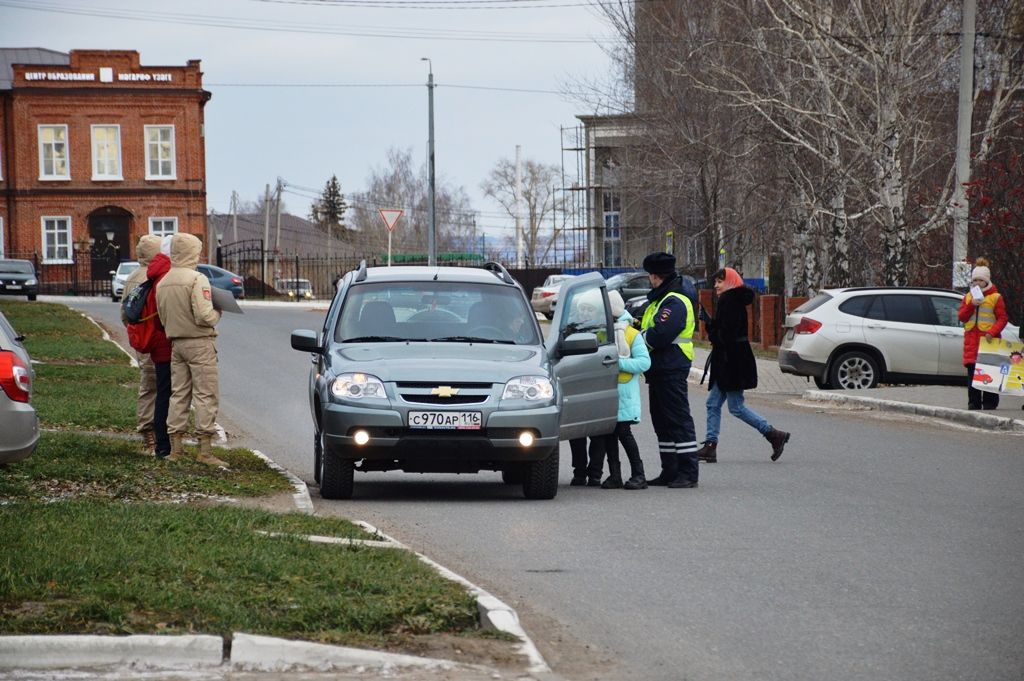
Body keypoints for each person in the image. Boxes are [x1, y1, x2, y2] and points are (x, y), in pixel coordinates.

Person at [696, 267, 790, 463]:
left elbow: (725, 336)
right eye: (715, 282)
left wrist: (710, 327)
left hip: (732, 362)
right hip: (730, 361)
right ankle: (710, 446)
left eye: (719, 281)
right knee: (712, 403)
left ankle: (774, 434)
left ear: (730, 281)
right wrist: (710, 322)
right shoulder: (733, 299)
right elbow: (727, 329)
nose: (715, 286)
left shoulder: (729, 301)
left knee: (736, 407)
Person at [155, 233, 227, 467]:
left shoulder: (164, 281)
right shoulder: (197, 279)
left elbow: (162, 317)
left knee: (179, 394)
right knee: (206, 394)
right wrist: (218, 313)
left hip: (176, 344)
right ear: (191, 253)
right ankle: (204, 450)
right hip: (199, 343)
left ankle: (176, 447)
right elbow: (205, 315)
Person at [640, 252, 699, 489]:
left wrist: (637, 340)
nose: (649, 280)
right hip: (660, 369)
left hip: (672, 366)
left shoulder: (674, 301)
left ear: (656, 276)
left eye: (650, 276)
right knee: (661, 421)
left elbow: (660, 334)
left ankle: (688, 471)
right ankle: (670, 469)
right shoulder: (661, 299)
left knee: (678, 420)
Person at [120, 235, 171, 458]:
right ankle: (155, 434)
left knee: (149, 384)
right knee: (157, 387)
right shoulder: (156, 276)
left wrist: (136, 332)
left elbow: (126, 312)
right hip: (158, 339)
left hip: (142, 341)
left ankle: (151, 434)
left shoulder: (132, 276)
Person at [598, 290, 651, 490]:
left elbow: (644, 363)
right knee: (609, 435)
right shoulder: (603, 332)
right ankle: (615, 475)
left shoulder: (631, 334)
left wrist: (617, 363)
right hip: (608, 392)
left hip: (625, 394)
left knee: (623, 433)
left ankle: (639, 474)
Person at [568, 287, 611, 486]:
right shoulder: (572, 329)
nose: (585, 313)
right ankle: (579, 471)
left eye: (590, 309)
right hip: (577, 386)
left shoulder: (603, 331)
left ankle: (595, 473)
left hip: (598, 387)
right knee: (576, 435)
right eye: (583, 309)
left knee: (597, 434)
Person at [957, 257, 1008, 410]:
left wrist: (992, 332)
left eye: (980, 280)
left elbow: (1003, 318)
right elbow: (962, 317)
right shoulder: (968, 297)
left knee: (988, 374)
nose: (977, 283)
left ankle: (990, 403)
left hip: (988, 343)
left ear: (987, 281)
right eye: (975, 280)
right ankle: (973, 402)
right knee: (972, 375)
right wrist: (971, 305)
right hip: (971, 343)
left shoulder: (995, 297)